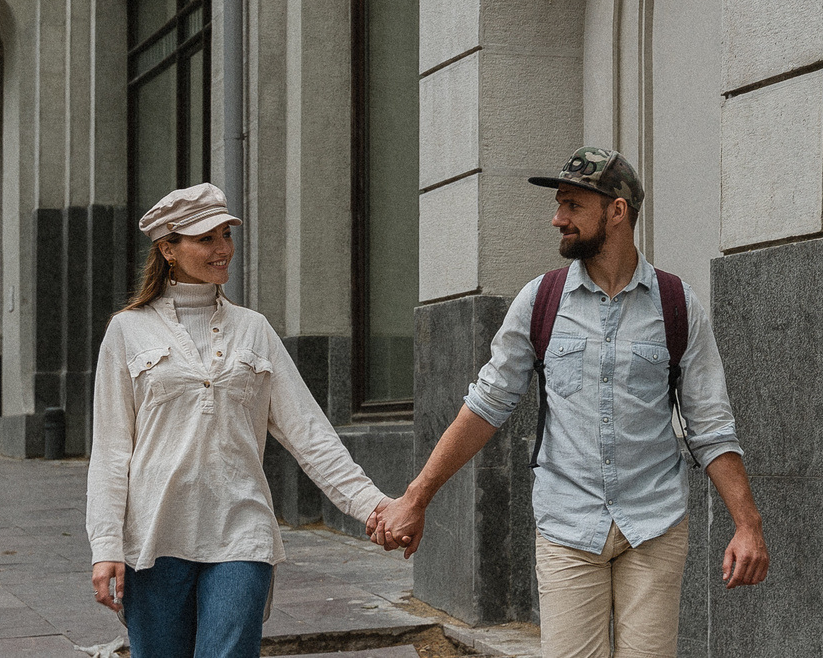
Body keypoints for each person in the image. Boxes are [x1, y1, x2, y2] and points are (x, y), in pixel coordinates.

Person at [369, 148, 768, 658]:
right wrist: (416, 498)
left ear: (616, 211)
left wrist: (747, 524)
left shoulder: (676, 305)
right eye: (559, 204)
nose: (556, 218)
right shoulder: (540, 301)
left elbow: (711, 424)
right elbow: (487, 405)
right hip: (568, 526)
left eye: (572, 205)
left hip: (654, 525)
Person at [85, 183, 397, 658]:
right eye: (205, 238)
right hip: (153, 536)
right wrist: (106, 544)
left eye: (225, 234)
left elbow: (308, 431)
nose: (222, 248)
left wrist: (371, 505)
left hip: (241, 530)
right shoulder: (127, 330)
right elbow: (110, 450)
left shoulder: (253, 328)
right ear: (168, 248)